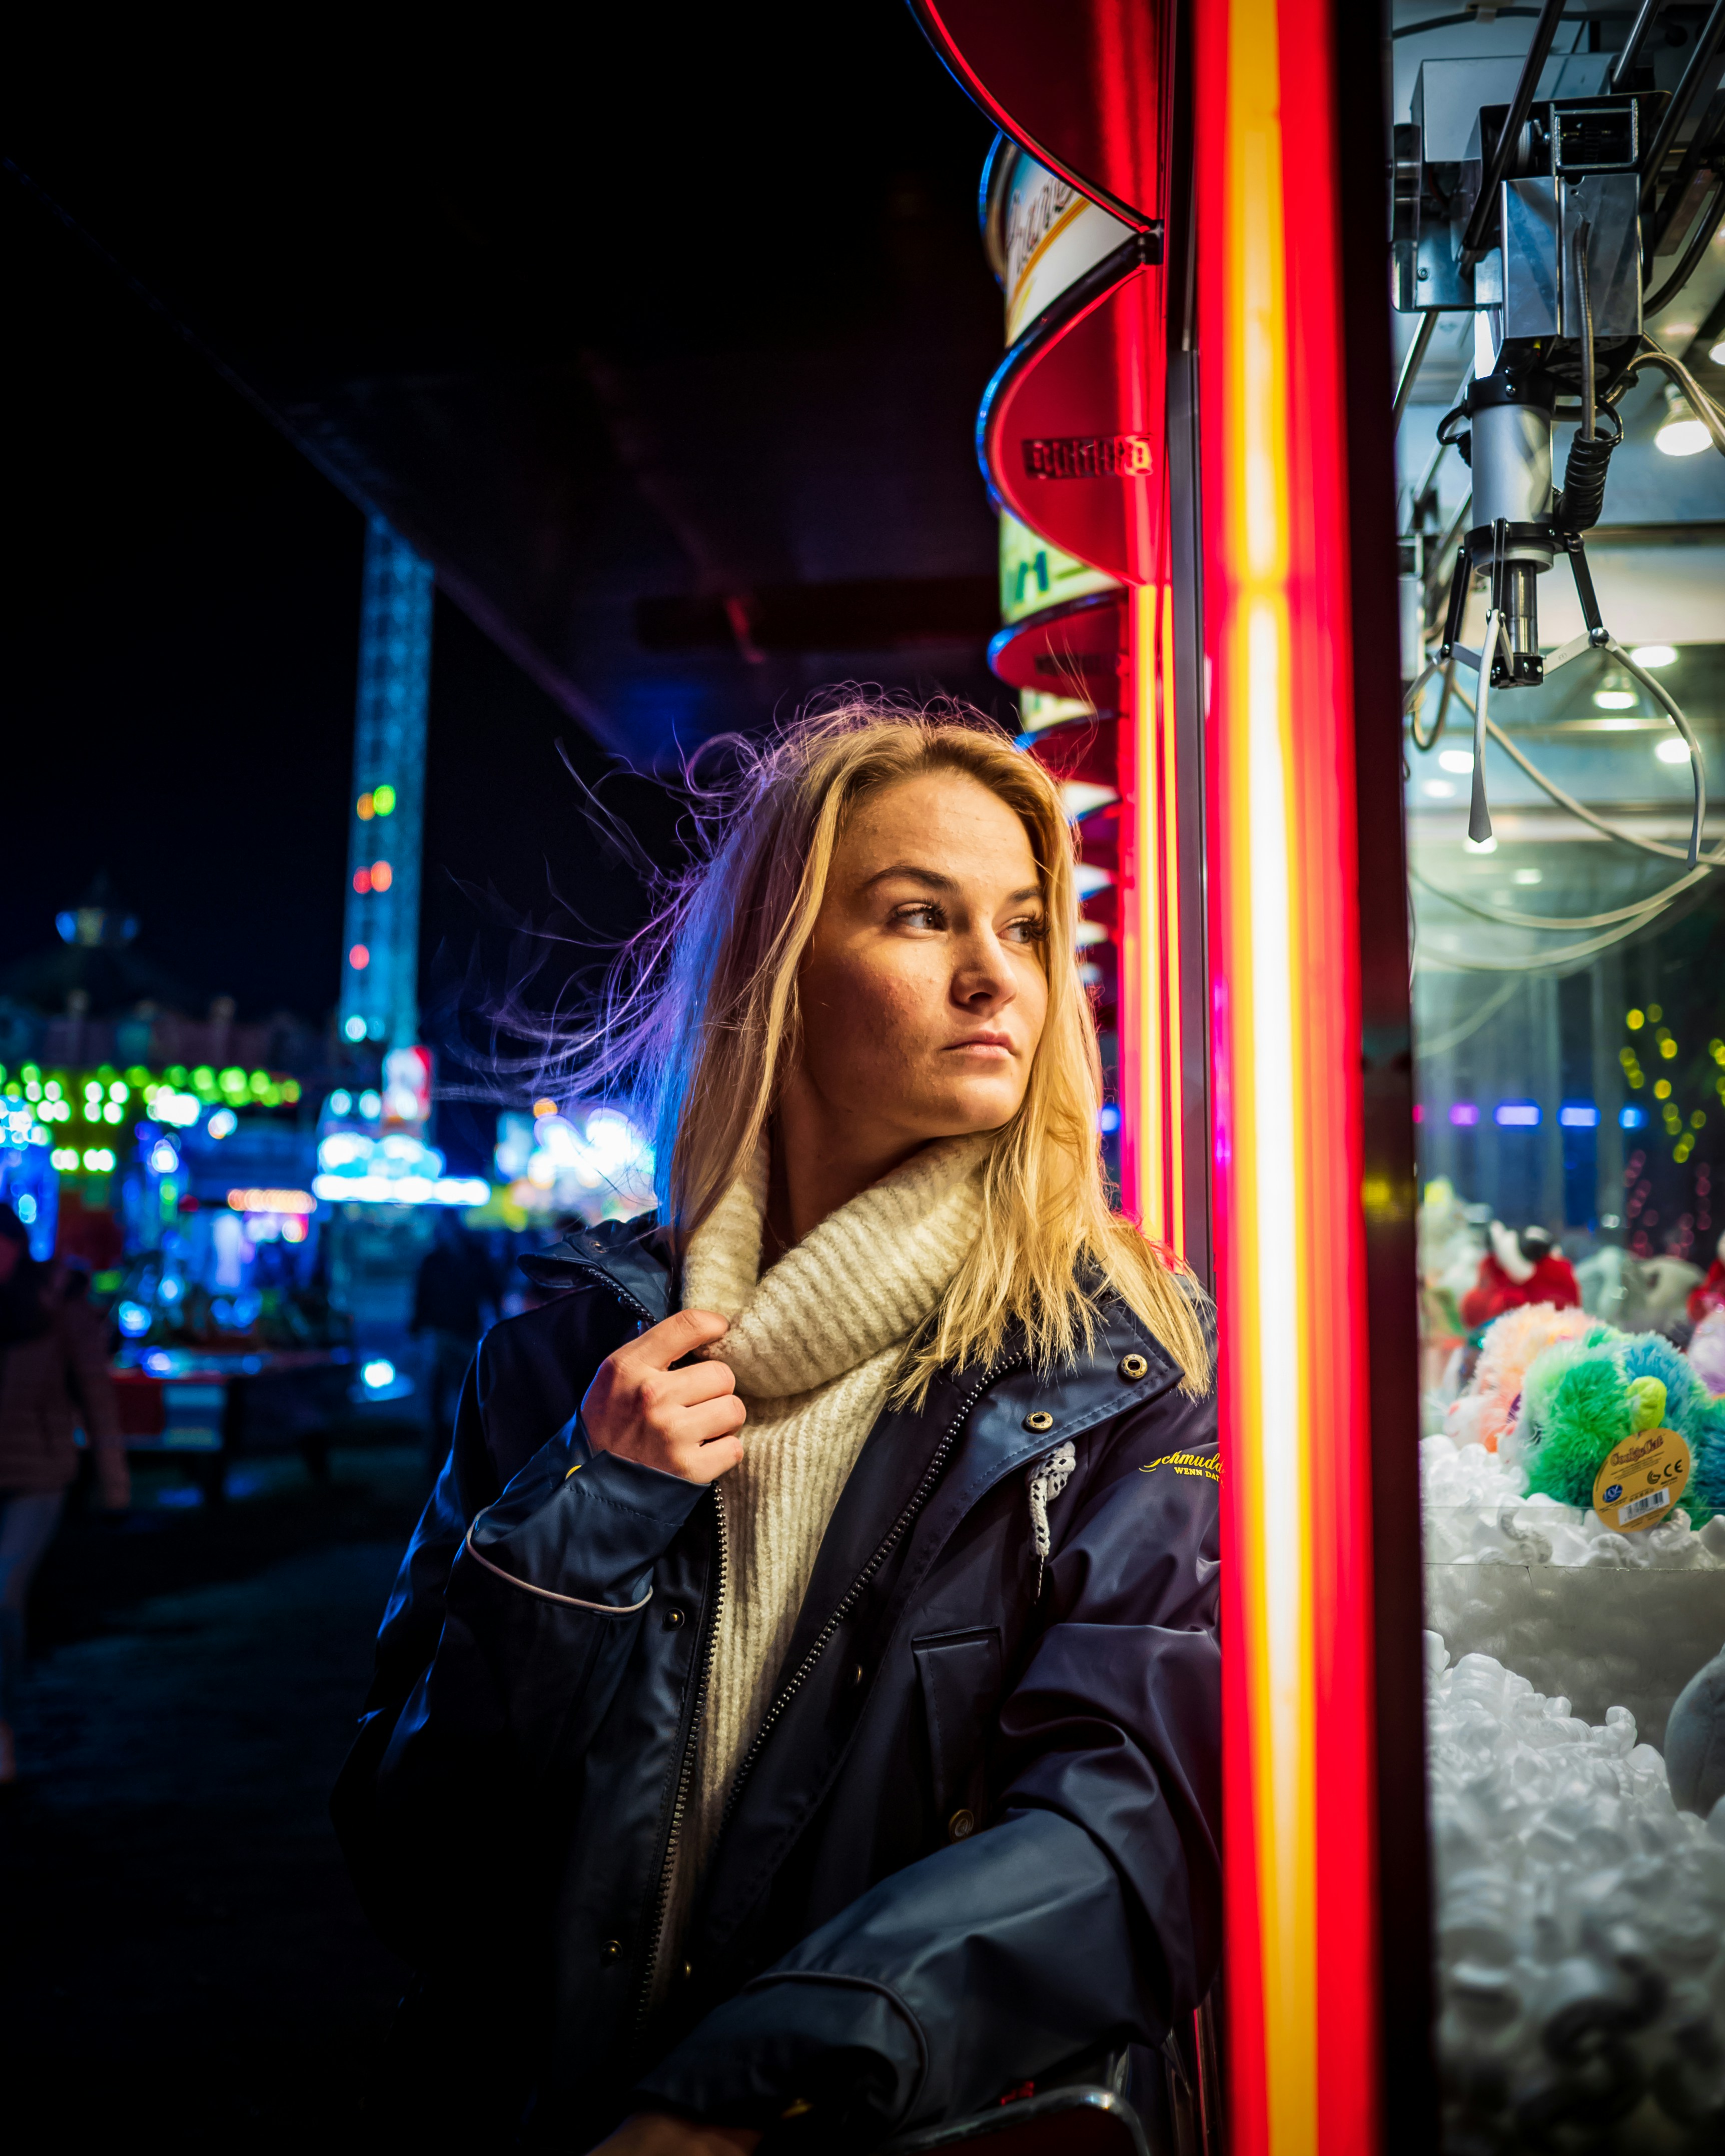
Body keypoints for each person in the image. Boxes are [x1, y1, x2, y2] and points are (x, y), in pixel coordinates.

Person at [334, 705, 1221, 2151]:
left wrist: (736, 2087)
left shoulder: (1122, 1365)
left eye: (1027, 925)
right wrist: (586, 1514)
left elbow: (1132, 1839)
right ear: (779, 969)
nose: (998, 973)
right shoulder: (561, 1361)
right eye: (922, 915)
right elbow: (417, 1870)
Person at [0, 1207, 129, 1785]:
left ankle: (1, 1725)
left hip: (39, 1473)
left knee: (2, 1598)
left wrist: (114, 1479)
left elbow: (96, 1394)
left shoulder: (58, 1305)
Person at [409, 1212, 499, 1460]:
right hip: (447, 1333)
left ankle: (459, 1449)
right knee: (443, 1394)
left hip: (459, 1332)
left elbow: (490, 1290)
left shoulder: (456, 1258)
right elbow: (422, 1295)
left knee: (460, 1393)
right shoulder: (443, 1259)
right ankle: (442, 1449)